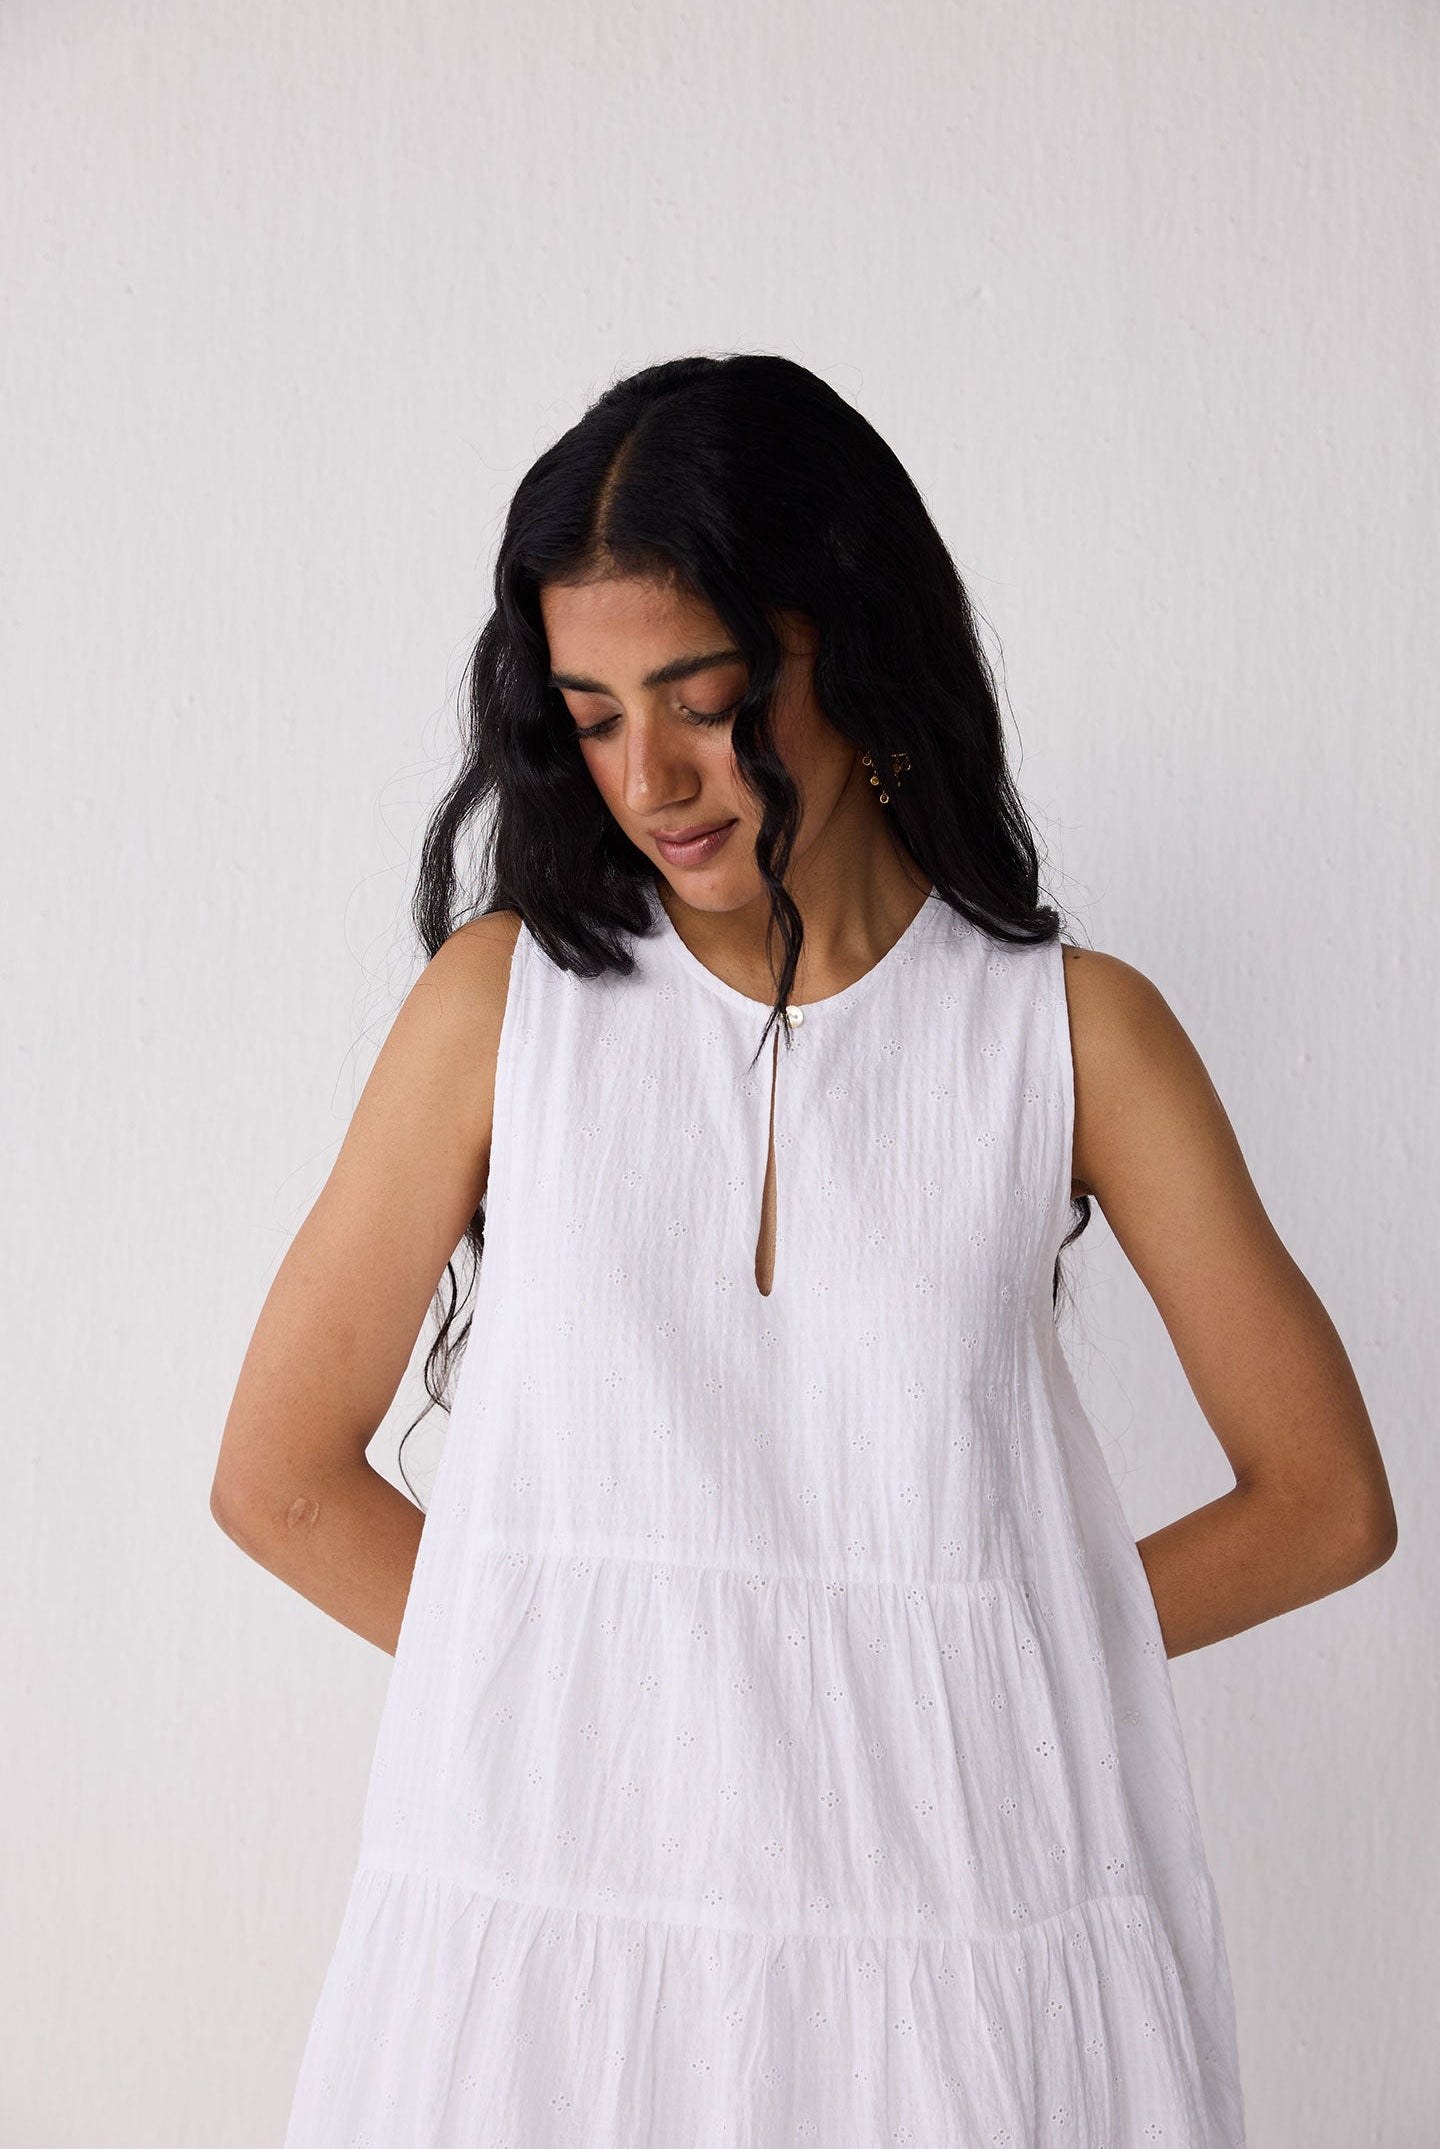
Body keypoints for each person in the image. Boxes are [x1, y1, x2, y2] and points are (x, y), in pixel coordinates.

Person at [211, 353, 1396, 2147]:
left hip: (954, 1923)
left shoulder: (1074, 1037)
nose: (655, 777)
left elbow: (1325, 1500)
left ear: (855, 650)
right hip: (559, 1917)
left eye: (706, 698)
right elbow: (279, 1478)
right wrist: (613, 1694)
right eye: (594, 715)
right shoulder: (499, 1009)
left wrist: (969, 1675)